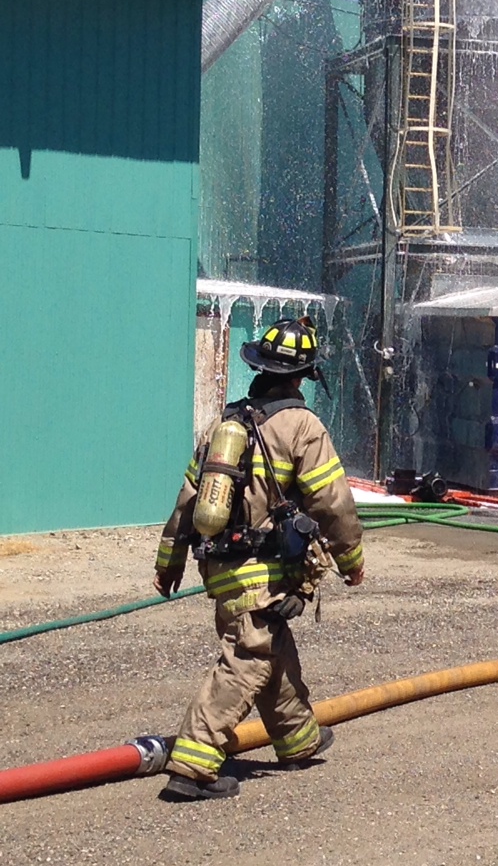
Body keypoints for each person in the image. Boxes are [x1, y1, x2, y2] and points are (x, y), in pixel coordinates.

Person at [152, 317, 365, 801]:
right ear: (299, 377)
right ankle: (193, 763)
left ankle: (298, 738)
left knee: (270, 646)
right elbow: (331, 502)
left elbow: (188, 501)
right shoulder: (303, 426)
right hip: (263, 569)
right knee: (249, 656)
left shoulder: (223, 425)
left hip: (220, 566)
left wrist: (169, 564)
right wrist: (351, 559)